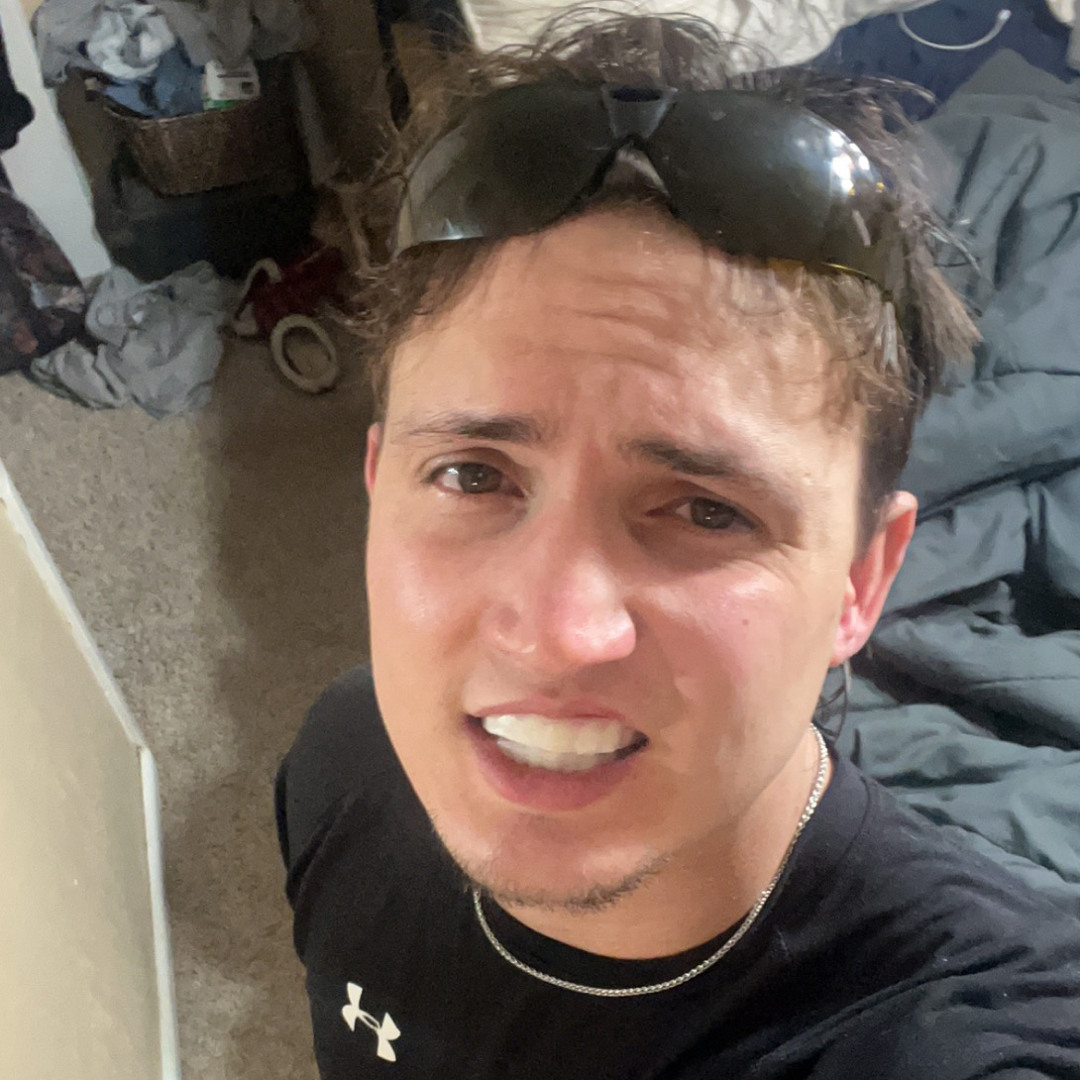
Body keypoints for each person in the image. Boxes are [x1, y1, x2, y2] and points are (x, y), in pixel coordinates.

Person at [275, 13, 1080, 1079]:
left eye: (706, 510)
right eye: (473, 474)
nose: (554, 633)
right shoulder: (343, 763)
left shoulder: (958, 1038)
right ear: (380, 488)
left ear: (861, 580)